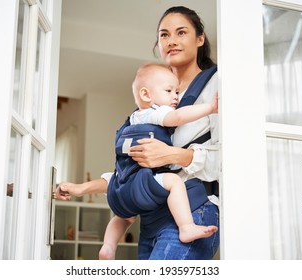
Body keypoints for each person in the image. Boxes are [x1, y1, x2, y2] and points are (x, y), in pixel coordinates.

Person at [56, 6, 220, 260]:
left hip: (194, 208)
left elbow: (229, 162)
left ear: (200, 39)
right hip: (151, 217)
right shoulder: (147, 109)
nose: (171, 41)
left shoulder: (218, 87)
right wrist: (81, 189)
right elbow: (127, 175)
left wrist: (172, 155)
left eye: (181, 32)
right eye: (164, 35)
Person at [97, 62, 218, 259]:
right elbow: (178, 117)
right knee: (174, 182)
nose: (175, 97)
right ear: (146, 95)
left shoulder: (130, 122)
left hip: (123, 186)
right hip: (145, 182)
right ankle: (186, 226)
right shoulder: (155, 112)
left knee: (123, 217)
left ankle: (109, 245)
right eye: (169, 91)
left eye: (177, 91)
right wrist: (210, 108)